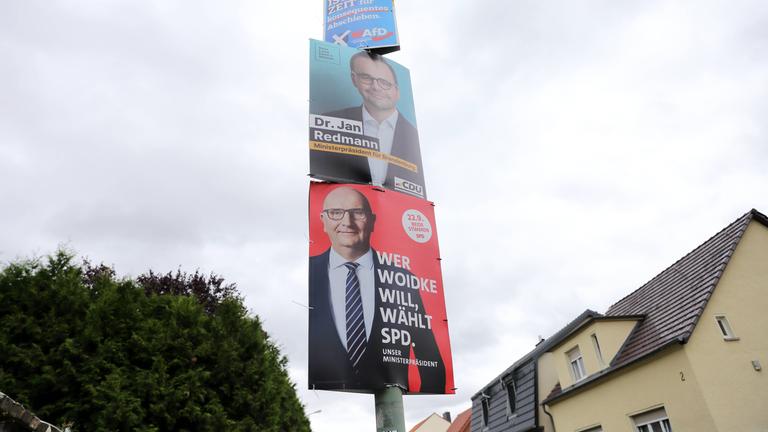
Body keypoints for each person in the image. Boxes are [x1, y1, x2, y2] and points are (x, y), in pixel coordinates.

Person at [308, 186, 445, 393]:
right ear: (323, 220)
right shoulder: (311, 271)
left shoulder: (402, 280)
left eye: (357, 213)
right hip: (335, 407)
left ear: (372, 221)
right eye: (336, 213)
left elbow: (432, 366)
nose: (347, 222)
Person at [310, 51, 427, 197]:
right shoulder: (328, 123)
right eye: (367, 78)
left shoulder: (413, 136)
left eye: (384, 83)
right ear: (354, 79)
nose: (376, 87)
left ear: (397, 91)